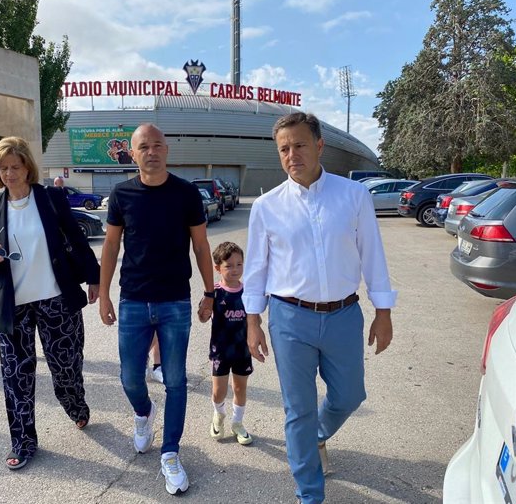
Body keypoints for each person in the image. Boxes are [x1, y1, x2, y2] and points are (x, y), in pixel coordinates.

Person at [244, 112, 396, 504]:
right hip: (289, 317)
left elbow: (372, 256)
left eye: (299, 145)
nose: (292, 154)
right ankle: (310, 493)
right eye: (284, 149)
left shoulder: (354, 196)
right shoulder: (266, 206)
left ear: (319, 146)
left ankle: (314, 437)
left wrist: (383, 311)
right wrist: (252, 322)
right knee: (298, 408)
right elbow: (256, 269)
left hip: (344, 314)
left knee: (349, 396)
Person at [99, 123, 215, 496]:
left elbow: (200, 246)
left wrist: (210, 292)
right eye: (143, 146)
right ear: (132, 154)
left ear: (167, 150)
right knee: (131, 378)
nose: (151, 151)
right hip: (133, 299)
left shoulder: (186, 194)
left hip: (175, 301)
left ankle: (170, 452)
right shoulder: (121, 195)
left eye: (158, 145)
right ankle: (143, 413)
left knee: (176, 380)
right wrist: (103, 295)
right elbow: (111, 248)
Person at [0, 136, 100, 471]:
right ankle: (23, 441)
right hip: (13, 305)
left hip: (56, 299)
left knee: (66, 366)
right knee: (16, 376)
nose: (9, 173)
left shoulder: (50, 199)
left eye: (15, 167)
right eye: (2, 168)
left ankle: (75, 404)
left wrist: (94, 277)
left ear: (27, 167)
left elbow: (76, 237)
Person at [209, 241, 252, 445]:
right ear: (218, 268)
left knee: (239, 389)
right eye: (229, 265)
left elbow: (255, 318)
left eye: (239, 264)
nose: (235, 269)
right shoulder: (215, 292)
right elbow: (202, 316)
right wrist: (204, 307)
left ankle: (237, 423)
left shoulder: (249, 292)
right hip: (221, 350)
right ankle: (219, 414)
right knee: (219, 391)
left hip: (242, 349)